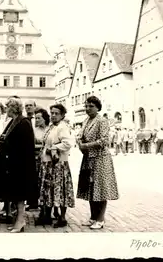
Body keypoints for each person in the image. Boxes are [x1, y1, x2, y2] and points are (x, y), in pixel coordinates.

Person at [76, 96, 119, 230]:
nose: (88, 108)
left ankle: (100, 219)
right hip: (88, 158)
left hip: (101, 158)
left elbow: (104, 140)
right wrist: (79, 142)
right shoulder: (86, 120)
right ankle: (93, 217)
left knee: (100, 188)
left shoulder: (102, 120)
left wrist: (86, 145)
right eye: (86, 106)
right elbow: (79, 135)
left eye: (91, 106)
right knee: (90, 187)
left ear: (97, 107)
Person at [0, 97, 37, 233]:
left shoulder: (23, 122)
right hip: (13, 164)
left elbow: (26, 146)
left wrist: (7, 144)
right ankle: (19, 220)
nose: (5, 109)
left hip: (21, 165)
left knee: (20, 195)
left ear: (13, 108)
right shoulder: (14, 121)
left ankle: (20, 220)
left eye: (7, 106)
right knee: (16, 194)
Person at [38, 104, 75, 227]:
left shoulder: (63, 127)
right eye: (52, 113)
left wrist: (53, 148)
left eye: (56, 113)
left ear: (62, 115)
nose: (53, 115)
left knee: (61, 190)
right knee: (49, 190)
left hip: (58, 165)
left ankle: (62, 217)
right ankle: (47, 215)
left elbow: (68, 143)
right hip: (48, 164)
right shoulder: (52, 127)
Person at [32, 108, 49, 220]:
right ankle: (40, 208)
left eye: (39, 118)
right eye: (36, 118)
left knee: (47, 184)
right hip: (35, 159)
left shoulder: (49, 129)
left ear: (44, 118)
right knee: (38, 184)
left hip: (47, 160)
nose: (37, 120)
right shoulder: (34, 130)